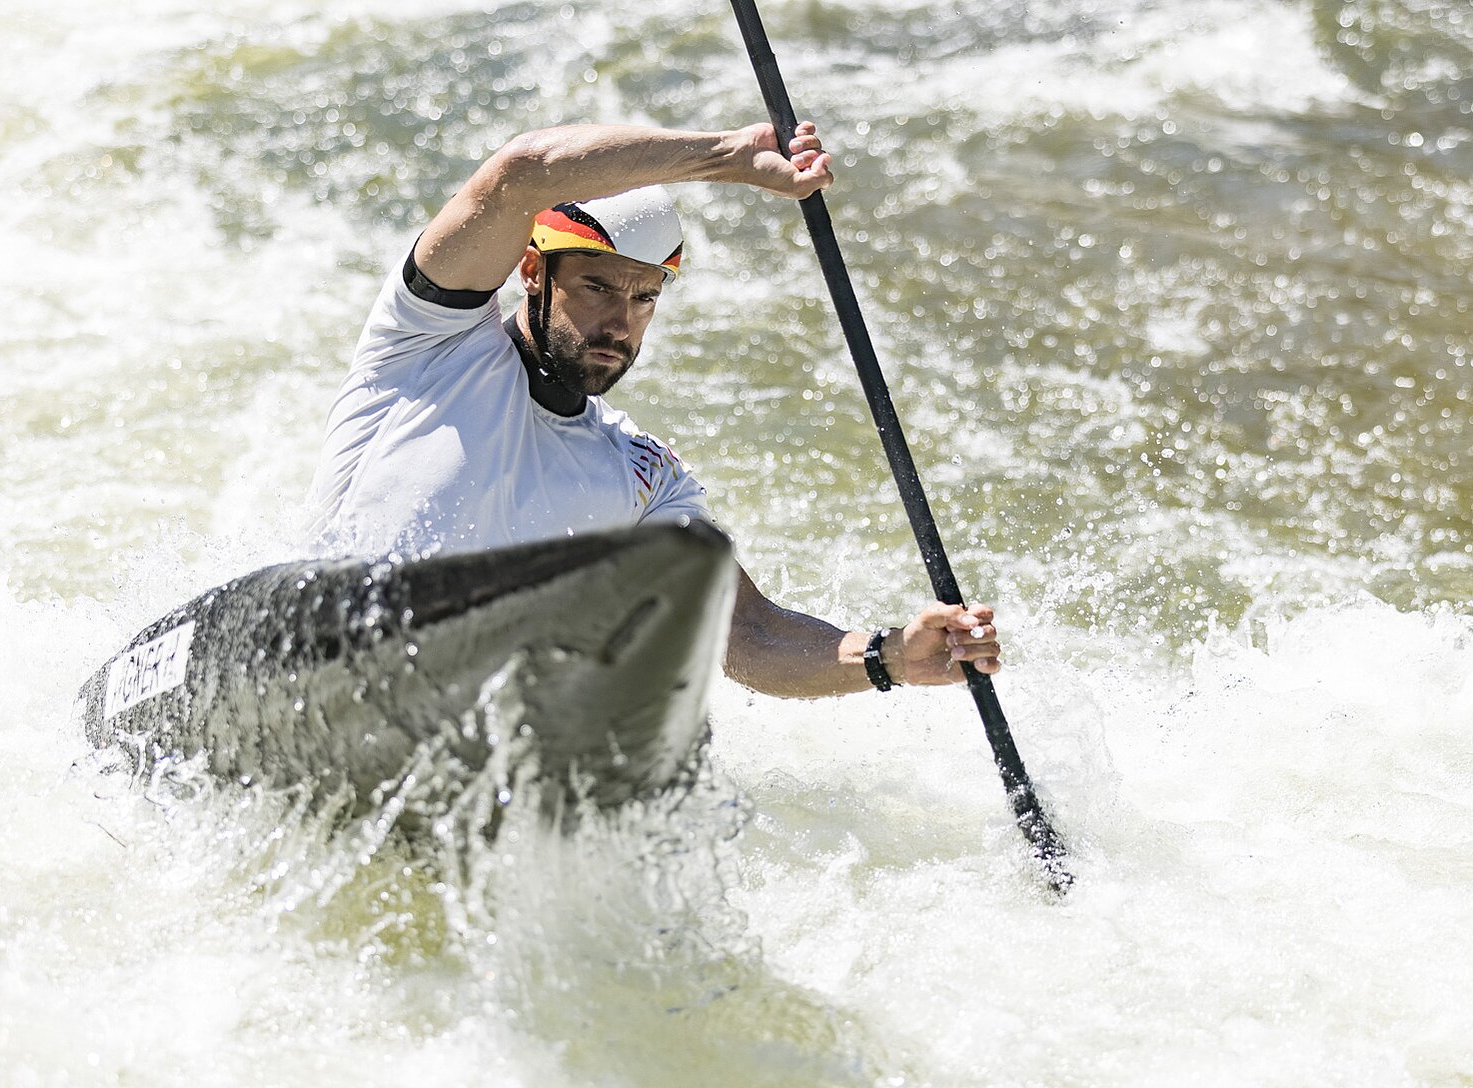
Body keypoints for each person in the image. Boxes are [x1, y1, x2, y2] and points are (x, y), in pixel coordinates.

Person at [309, 120, 1003, 698]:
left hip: (449, 717)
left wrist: (887, 657)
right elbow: (520, 173)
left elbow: (747, 636)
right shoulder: (432, 339)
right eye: (596, 287)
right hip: (323, 649)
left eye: (643, 298)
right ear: (531, 273)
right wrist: (727, 157)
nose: (620, 321)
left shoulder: (643, 475)